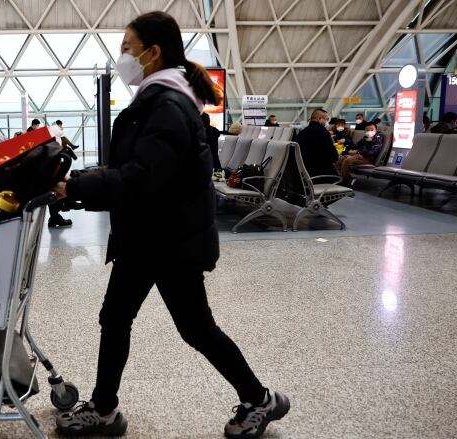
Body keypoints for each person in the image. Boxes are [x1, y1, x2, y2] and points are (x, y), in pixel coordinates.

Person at [52, 11, 289, 438]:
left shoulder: (167, 104)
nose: (122, 55)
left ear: (152, 51)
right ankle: (104, 410)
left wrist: (77, 188)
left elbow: (143, 176)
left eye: (127, 47)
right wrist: (87, 183)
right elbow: (138, 168)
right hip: (150, 236)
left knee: (194, 328)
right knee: (116, 318)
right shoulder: (161, 98)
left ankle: (260, 400)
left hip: (168, 241)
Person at [296, 108, 339, 177]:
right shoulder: (322, 132)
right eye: (326, 119)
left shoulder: (301, 133)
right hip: (321, 174)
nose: (326, 122)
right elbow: (333, 156)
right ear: (319, 119)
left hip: (305, 174)